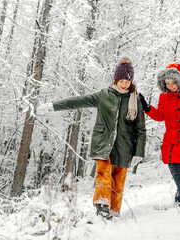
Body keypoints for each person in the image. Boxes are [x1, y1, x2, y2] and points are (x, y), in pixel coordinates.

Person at [38, 56, 146, 219]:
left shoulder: (136, 100)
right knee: (103, 173)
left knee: (118, 178)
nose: (124, 84)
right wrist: (53, 106)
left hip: (125, 146)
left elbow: (140, 128)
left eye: (127, 81)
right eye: (121, 80)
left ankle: (113, 212)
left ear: (131, 82)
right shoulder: (104, 95)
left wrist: (139, 151)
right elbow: (78, 101)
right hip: (103, 143)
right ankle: (102, 206)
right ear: (116, 79)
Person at [139, 63, 180, 210]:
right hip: (171, 139)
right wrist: (147, 107)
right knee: (173, 164)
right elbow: (161, 115)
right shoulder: (164, 96)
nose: (170, 86)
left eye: (173, 82)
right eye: (167, 83)